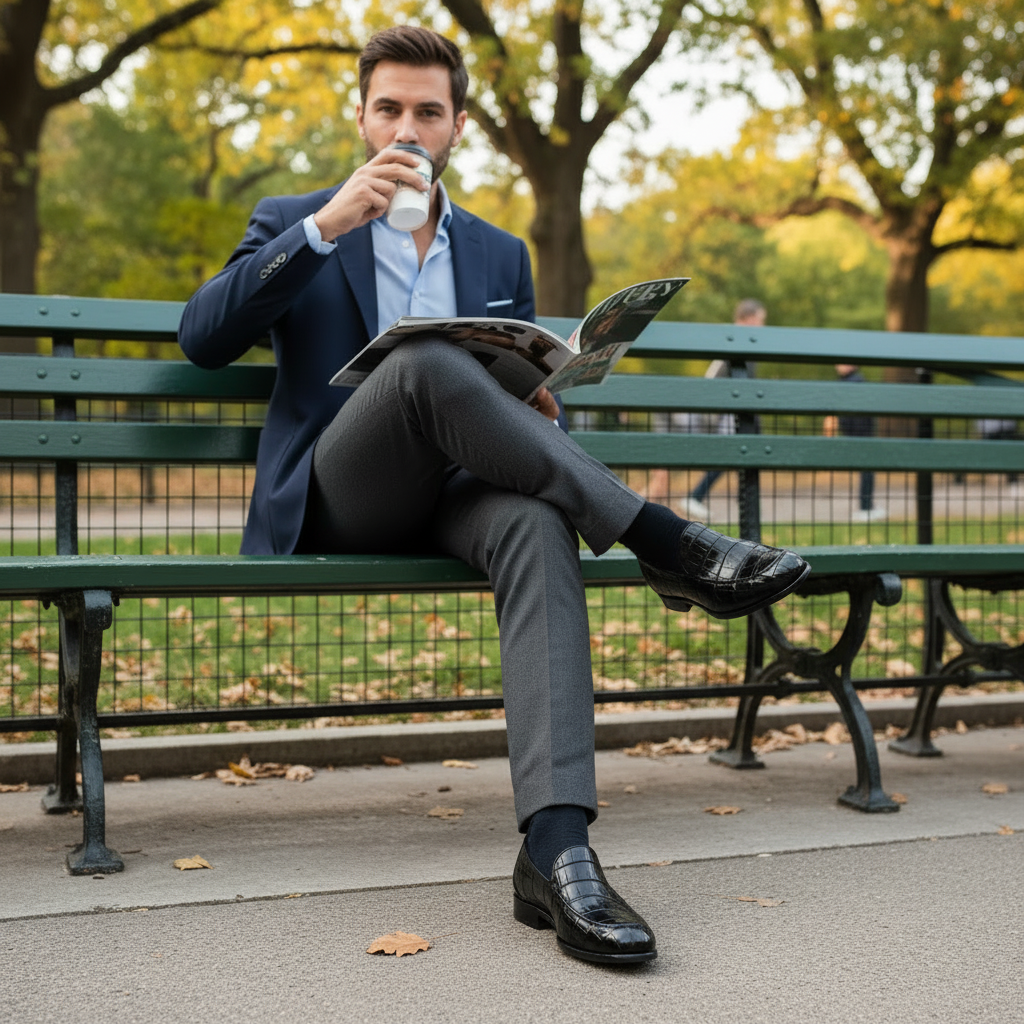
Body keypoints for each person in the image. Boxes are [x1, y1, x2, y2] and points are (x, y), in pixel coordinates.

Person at [178, 26, 809, 965]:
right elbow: (203, 335)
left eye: (427, 111)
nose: (406, 126)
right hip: (341, 491)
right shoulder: (294, 217)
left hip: (461, 491)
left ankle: (557, 854)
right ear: (360, 116)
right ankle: (666, 543)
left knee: (537, 518)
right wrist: (327, 228)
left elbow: (503, 389)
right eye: (387, 107)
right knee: (426, 357)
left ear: (457, 126)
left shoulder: (499, 250)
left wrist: (537, 393)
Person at [680, 298, 765, 520]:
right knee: (732, 455)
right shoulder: (737, 340)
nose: (762, 326)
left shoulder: (739, 340)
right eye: (760, 320)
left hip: (736, 408)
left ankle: (742, 501)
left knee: (744, 455)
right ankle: (698, 496)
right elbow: (715, 379)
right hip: (730, 409)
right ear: (749, 318)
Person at [823, 364, 886, 522]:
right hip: (861, 434)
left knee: (867, 471)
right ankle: (866, 507)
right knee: (867, 471)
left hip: (859, 434)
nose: (839, 366)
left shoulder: (853, 382)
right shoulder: (854, 381)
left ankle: (866, 507)